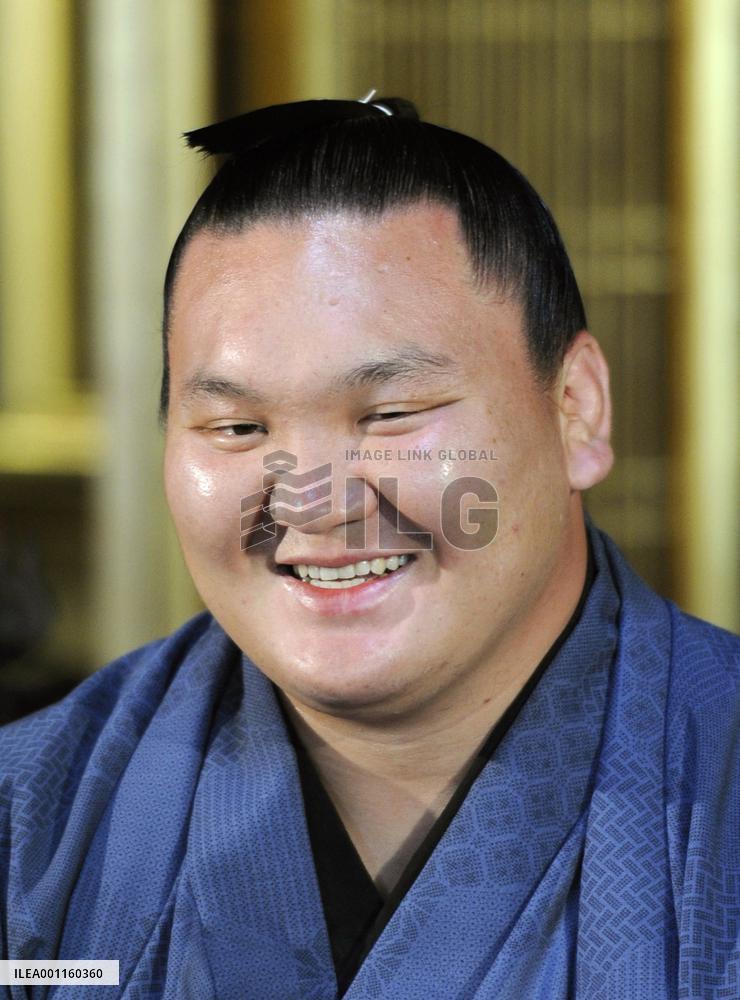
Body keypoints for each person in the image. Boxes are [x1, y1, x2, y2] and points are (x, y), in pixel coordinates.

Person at [1, 95, 738, 1000]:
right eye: (235, 427)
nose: (313, 502)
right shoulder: (30, 826)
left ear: (575, 408)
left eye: (389, 415)